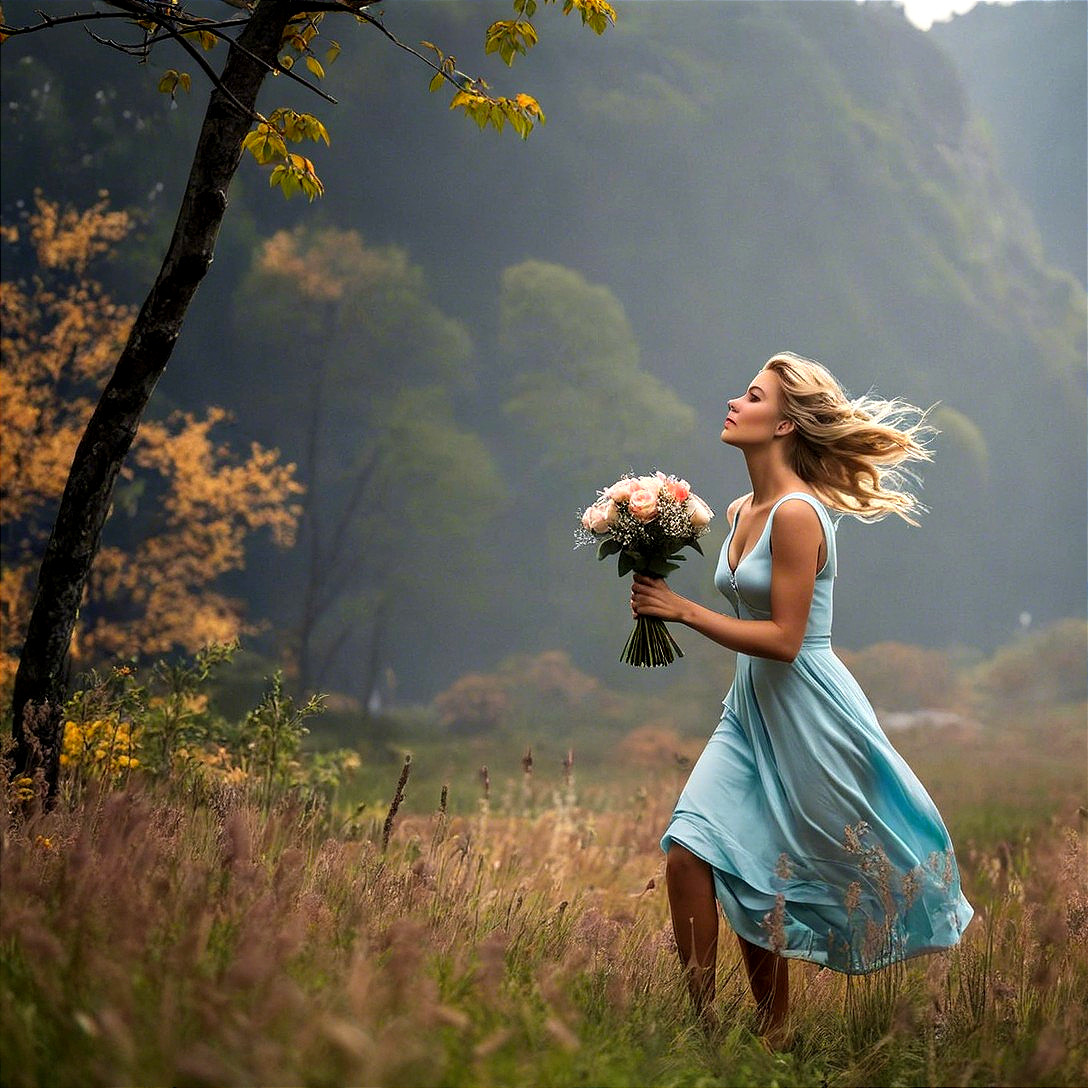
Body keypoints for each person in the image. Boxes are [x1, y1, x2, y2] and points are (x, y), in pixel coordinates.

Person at [629, 351, 973, 1048]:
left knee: (771, 873)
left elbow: (786, 638)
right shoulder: (738, 509)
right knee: (688, 854)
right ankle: (709, 1035)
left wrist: (683, 610)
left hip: (809, 709)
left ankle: (773, 1032)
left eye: (751, 396)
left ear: (784, 422)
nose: (733, 402)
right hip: (748, 710)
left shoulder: (796, 515)